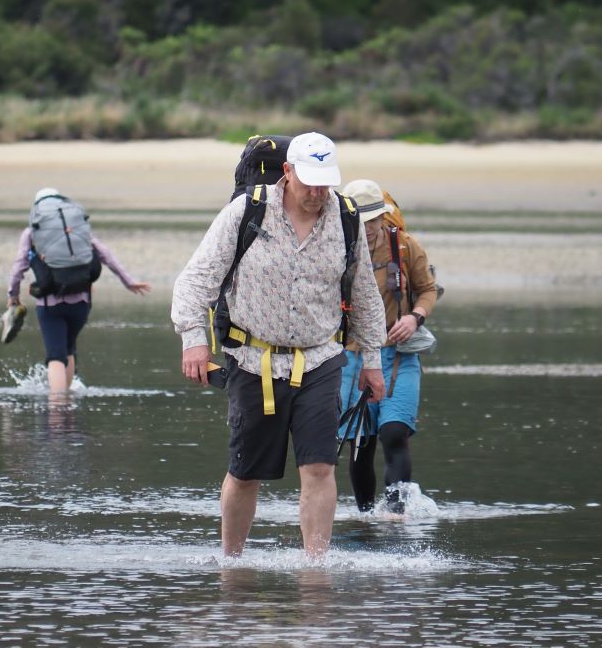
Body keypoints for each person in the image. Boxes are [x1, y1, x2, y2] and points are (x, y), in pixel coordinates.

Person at [171, 132, 387, 558]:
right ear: (287, 173)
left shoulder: (345, 218)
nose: (317, 192)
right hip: (252, 360)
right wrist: (193, 342)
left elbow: (364, 293)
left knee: (321, 467)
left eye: (325, 182)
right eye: (309, 182)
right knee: (245, 472)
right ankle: (232, 563)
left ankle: (316, 566)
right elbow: (195, 281)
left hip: (320, 359)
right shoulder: (247, 211)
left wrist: (373, 360)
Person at [336, 178, 439, 517]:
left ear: (384, 217)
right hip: (351, 357)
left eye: (373, 220)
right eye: (360, 220)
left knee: (394, 432)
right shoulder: (334, 247)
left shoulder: (405, 246)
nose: (367, 228)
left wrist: (415, 318)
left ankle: (395, 512)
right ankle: (366, 516)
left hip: (399, 355)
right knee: (361, 444)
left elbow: (428, 289)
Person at [7, 187, 151, 393]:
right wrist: (128, 282)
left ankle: (57, 406)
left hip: (50, 305)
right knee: (69, 349)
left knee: (55, 355)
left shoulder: (32, 232)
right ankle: (67, 404)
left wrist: (12, 296)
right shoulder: (77, 229)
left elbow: (19, 265)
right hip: (82, 305)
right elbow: (105, 254)